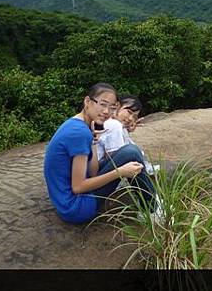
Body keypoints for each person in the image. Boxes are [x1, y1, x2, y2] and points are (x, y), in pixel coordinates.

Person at [43, 83, 156, 224]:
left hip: (66, 202)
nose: (106, 111)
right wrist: (119, 172)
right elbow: (78, 187)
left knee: (130, 153)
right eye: (103, 104)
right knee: (131, 153)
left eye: (112, 107)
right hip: (76, 208)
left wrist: (94, 142)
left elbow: (93, 171)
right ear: (87, 102)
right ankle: (154, 209)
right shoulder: (78, 133)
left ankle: (150, 204)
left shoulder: (79, 125)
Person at [97, 94, 159, 176]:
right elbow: (116, 156)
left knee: (131, 151)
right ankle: (146, 181)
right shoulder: (114, 124)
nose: (130, 118)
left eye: (135, 117)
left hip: (97, 169)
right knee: (131, 152)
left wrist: (126, 130)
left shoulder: (108, 122)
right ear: (117, 106)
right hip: (100, 173)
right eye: (129, 112)